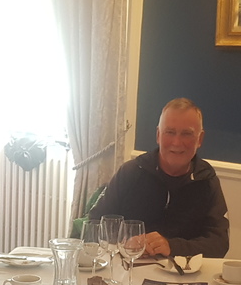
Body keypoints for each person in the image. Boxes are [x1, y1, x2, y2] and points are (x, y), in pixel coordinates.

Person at [88, 98, 230, 258]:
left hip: (182, 271)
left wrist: (172, 246)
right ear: (158, 135)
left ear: (200, 139)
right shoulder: (131, 172)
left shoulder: (207, 180)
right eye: (170, 132)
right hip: (129, 266)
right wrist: (124, 243)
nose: (177, 142)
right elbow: (94, 224)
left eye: (187, 134)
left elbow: (219, 243)